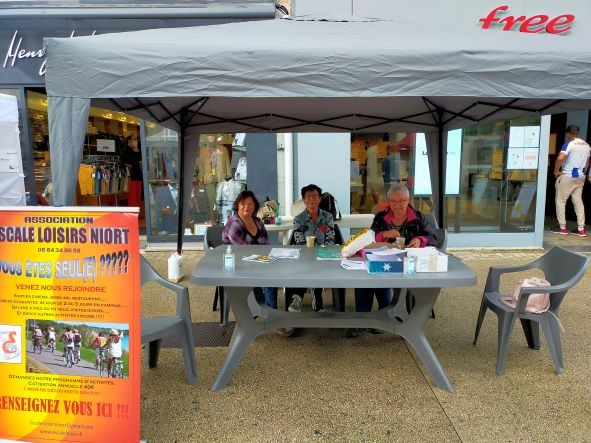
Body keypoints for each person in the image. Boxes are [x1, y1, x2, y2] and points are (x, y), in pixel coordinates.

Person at [347, 183, 436, 338]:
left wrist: (419, 240)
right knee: (368, 274)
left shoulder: (418, 217)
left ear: (408, 200)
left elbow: (433, 237)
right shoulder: (381, 217)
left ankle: (385, 315)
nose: (397, 205)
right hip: (384, 258)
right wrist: (384, 234)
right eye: (393, 201)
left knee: (381, 273)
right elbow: (369, 239)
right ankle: (363, 319)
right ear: (388, 201)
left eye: (401, 201)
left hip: (409, 264)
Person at [222, 191, 283, 330]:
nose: (246, 207)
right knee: (268, 278)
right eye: (243, 204)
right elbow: (244, 251)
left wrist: (271, 258)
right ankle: (272, 317)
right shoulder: (234, 223)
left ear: (255, 207)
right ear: (237, 205)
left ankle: (268, 310)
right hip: (237, 264)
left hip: (258, 261)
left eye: (250, 204)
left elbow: (266, 245)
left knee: (278, 270)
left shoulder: (258, 222)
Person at [287, 184, 336, 313]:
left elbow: (330, 239)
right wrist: (311, 255)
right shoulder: (299, 219)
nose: (312, 199)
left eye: (314, 196)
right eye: (308, 197)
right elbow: (300, 242)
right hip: (305, 255)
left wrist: (322, 253)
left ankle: (313, 302)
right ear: (303, 200)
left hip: (323, 254)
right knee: (306, 264)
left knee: (318, 264)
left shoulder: (328, 217)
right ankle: (300, 299)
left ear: (320, 199)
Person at [551, 124, 591, 236]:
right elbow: (587, 162)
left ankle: (562, 227)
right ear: (577, 133)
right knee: (578, 201)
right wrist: (584, 172)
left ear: (568, 133)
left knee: (560, 201)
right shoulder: (587, 145)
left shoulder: (569, 144)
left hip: (567, 176)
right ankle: (581, 229)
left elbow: (560, 158)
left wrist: (556, 171)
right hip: (580, 177)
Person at [121, 135, 143, 207]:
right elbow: (131, 160)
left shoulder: (136, 149)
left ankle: (137, 210)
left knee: (138, 194)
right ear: (129, 141)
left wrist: (136, 149)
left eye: (136, 140)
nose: (136, 141)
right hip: (131, 175)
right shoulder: (126, 150)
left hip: (138, 174)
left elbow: (140, 158)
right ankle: (132, 210)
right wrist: (135, 149)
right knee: (133, 194)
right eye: (134, 140)